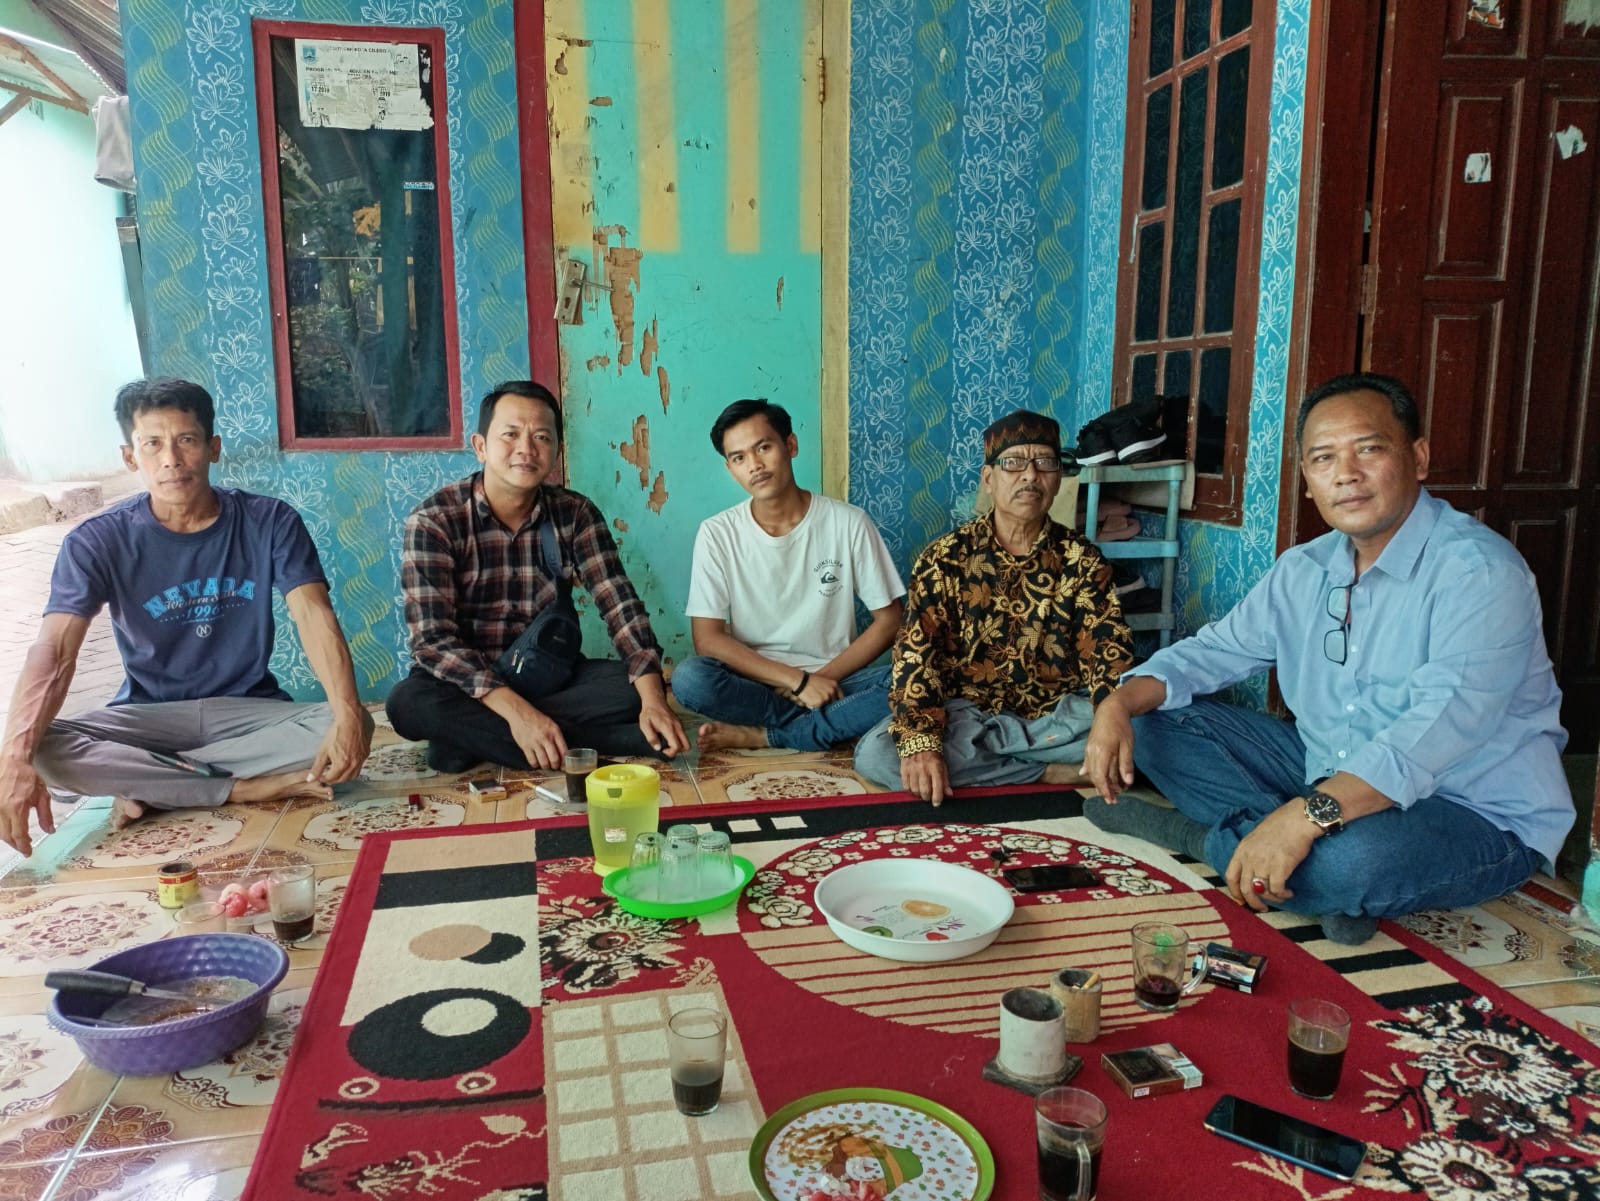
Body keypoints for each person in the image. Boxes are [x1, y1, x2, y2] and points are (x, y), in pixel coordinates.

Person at [1080, 372, 1572, 944]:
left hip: (1470, 809)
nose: (1346, 474)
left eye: (1369, 449)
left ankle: (1201, 837)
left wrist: (1302, 818)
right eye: (1323, 458)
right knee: (1152, 720)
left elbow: (1439, 730)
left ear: (1418, 458)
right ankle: (1292, 859)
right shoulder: (1305, 568)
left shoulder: (1479, 573)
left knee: (1347, 864)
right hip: (1329, 770)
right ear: (1310, 481)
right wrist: (1116, 703)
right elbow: (1214, 651)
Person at [0, 378, 373, 856]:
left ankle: (157, 785)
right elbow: (55, 649)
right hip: (146, 717)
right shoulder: (96, 541)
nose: (171, 459)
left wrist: (346, 714)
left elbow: (313, 613)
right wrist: (14, 758)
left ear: (213, 448)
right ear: (130, 457)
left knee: (350, 721)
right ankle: (239, 787)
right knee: (40, 747)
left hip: (246, 711)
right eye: (152, 444)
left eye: (186, 440)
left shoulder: (270, 521)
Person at [386, 380, 688, 771]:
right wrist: (518, 714)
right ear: (481, 446)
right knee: (409, 704)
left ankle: (469, 740)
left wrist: (653, 702)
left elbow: (620, 606)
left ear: (557, 451)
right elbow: (432, 640)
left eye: (542, 437)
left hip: (547, 674)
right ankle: (600, 742)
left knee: (634, 689)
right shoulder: (435, 520)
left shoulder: (574, 514)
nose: (526, 449)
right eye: (510, 435)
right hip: (467, 684)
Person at [854, 409, 1134, 804]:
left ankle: (1005, 766)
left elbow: (1108, 651)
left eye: (1045, 463)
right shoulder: (945, 558)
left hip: (1055, 719)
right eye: (1014, 463)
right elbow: (916, 657)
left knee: (1144, 728)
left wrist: (1110, 716)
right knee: (877, 755)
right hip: (967, 718)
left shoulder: (1082, 559)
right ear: (989, 478)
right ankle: (1047, 772)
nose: (1030, 476)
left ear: (1058, 480)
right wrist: (923, 742)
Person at [671, 399, 905, 753]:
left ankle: (772, 735)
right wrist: (798, 682)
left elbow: (890, 620)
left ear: (790, 445)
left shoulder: (848, 522)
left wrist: (820, 680)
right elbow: (708, 639)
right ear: (730, 469)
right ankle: (830, 724)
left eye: (763, 447)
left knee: (920, 676)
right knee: (690, 679)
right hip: (757, 685)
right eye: (739, 458)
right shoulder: (717, 533)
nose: (755, 465)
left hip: (837, 681)